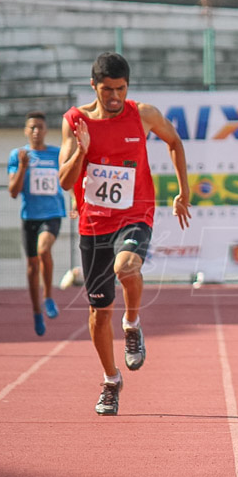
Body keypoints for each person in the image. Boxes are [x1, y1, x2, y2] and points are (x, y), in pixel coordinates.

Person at [59, 52, 192, 416]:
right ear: (94, 86)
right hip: (94, 223)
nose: (115, 97)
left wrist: (184, 191)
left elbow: (175, 142)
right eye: (107, 90)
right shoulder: (75, 121)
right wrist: (82, 152)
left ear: (127, 86)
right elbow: (66, 181)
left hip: (136, 214)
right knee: (99, 312)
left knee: (127, 267)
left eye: (120, 89)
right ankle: (111, 379)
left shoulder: (143, 114)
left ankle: (132, 322)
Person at [8, 111, 67, 336]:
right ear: (26, 131)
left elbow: (69, 179)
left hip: (52, 215)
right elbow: (13, 192)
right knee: (32, 268)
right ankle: (36, 311)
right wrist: (23, 167)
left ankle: (48, 297)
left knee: (44, 250)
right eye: (31, 127)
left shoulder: (57, 154)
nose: (36, 131)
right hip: (29, 217)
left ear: (46, 130)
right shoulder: (18, 155)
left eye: (39, 127)